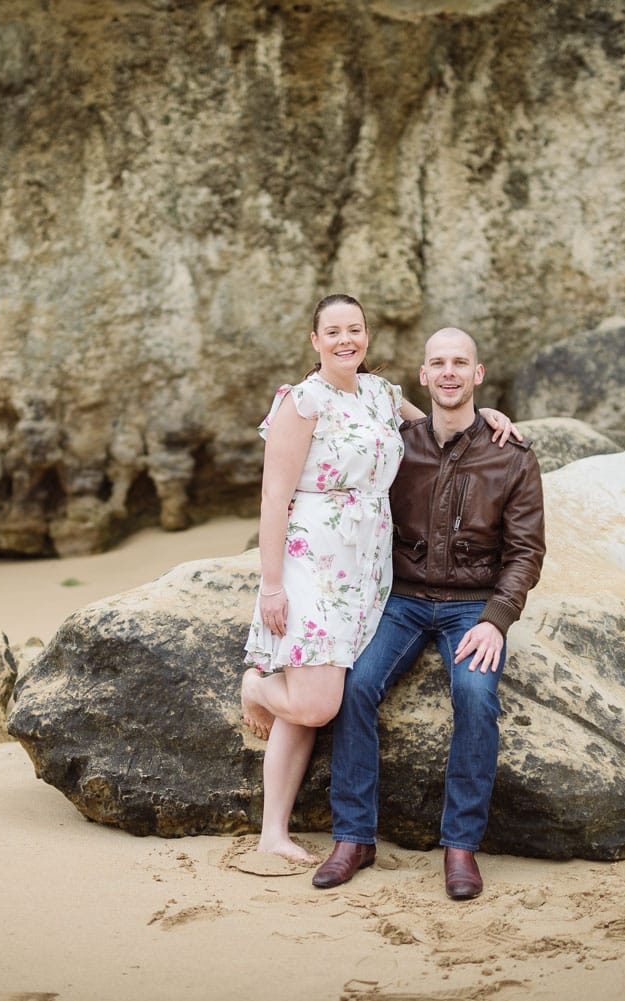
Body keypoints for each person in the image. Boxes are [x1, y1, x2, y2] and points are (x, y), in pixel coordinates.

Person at [240, 299, 519, 864]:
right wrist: (272, 585)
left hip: (368, 572)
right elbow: (273, 498)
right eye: (333, 332)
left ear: (366, 336)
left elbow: (438, 423)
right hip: (313, 561)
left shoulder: (381, 394)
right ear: (314, 340)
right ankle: (255, 687)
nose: (346, 340)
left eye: (355, 330)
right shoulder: (302, 401)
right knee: (317, 703)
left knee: (319, 686)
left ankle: (275, 829)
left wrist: (488, 417)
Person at [311, 326, 546, 898]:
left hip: (471, 606)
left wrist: (497, 617)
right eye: (437, 363)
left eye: (459, 363)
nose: (448, 372)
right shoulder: (397, 442)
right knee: (357, 686)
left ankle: (460, 847)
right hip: (402, 600)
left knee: (473, 693)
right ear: (423, 375)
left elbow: (526, 551)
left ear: (477, 374)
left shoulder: (511, 455)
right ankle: (354, 838)